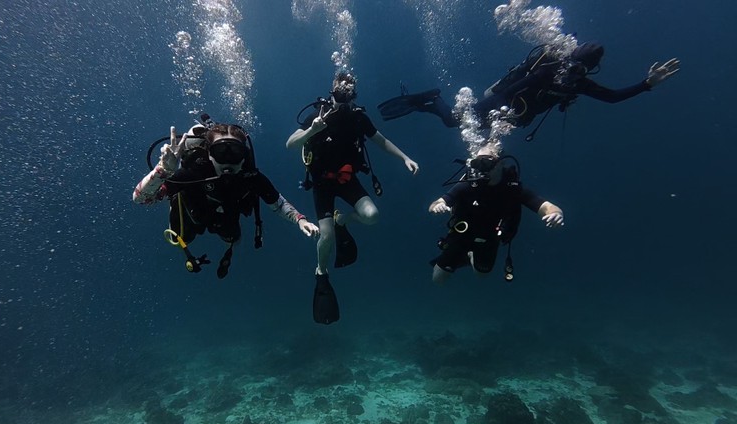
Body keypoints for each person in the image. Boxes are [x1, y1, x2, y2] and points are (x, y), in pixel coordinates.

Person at [286, 72, 420, 325]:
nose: (343, 101)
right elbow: (290, 144)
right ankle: (321, 271)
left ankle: (343, 221)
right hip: (323, 184)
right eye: (339, 95)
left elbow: (381, 141)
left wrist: (405, 158)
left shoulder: (358, 118)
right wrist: (312, 130)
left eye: (348, 96)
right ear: (331, 93)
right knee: (325, 236)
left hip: (348, 180)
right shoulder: (318, 115)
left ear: (354, 96)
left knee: (372, 216)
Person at [134, 120, 319, 279]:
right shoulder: (193, 172)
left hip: (225, 217)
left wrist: (300, 220)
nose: (228, 161)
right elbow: (141, 199)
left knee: (233, 237)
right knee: (184, 237)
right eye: (221, 151)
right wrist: (162, 171)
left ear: (244, 156)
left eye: (235, 153)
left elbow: (277, 203)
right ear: (209, 154)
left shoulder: (250, 176)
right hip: (191, 214)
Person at [378, 42, 680, 136]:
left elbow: (612, 98)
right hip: (500, 103)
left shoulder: (580, 83)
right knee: (454, 121)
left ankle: (424, 103)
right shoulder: (547, 72)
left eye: (580, 71)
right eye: (572, 67)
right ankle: (433, 96)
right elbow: (511, 91)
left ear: (587, 71)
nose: (572, 74)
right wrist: (504, 115)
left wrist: (647, 84)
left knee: (459, 125)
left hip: (514, 115)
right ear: (567, 61)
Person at [428, 141, 564, 285]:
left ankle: (470, 257)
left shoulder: (512, 189)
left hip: (490, 237)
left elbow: (547, 206)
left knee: (482, 274)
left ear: (500, 163)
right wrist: (438, 206)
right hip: (462, 234)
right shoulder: (468, 184)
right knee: (438, 279)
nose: (481, 168)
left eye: (486, 162)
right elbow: (437, 203)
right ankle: (465, 254)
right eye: (477, 162)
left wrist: (557, 214)